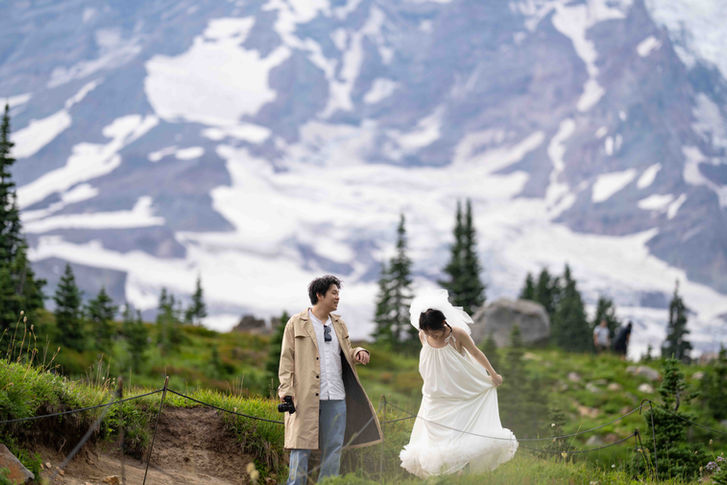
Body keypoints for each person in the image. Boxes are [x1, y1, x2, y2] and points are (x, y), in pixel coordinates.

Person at [399, 289, 518, 478]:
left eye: (436, 332)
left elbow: (476, 353)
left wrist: (493, 374)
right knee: (434, 431)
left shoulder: (458, 335)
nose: (434, 337)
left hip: (458, 390)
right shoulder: (424, 335)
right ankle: (441, 472)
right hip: (434, 393)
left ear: (443, 323)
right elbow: (432, 360)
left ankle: (460, 470)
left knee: (458, 430)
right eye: (429, 333)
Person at [278, 275, 382, 485]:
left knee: (334, 448)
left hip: (336, 395)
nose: (338, 297)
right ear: (320, 295)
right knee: (301, 446)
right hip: (306, 396)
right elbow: (286, 360)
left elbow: (345, 351)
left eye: (338, 293)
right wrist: (286, 391)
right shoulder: (296, 323)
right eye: (334, 293)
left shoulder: (339, 324)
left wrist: (359, 352)